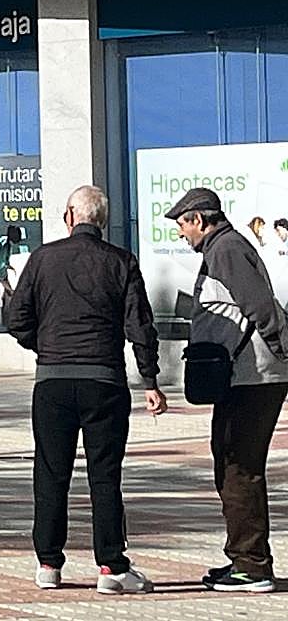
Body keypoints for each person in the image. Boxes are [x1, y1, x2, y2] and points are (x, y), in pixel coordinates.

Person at [6, 185, 166, 595]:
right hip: (104, 382)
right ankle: (111, 568)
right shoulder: (121, 262)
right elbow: (140, 327)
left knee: (50, 473)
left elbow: (16, 317)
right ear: (103, 221)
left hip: (53, 382)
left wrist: (44, 344)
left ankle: (48, 564)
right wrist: (150, 381)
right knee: (105, 476)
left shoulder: (42, 259)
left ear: (68, 216)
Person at [167, 187, 288, 593]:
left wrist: (283, 349)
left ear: (199, 219)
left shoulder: (227, 248)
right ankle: (244, 559)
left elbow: (260, 305)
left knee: (239, 467)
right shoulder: (222, 248)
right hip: (244, 377)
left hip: (253, 378)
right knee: (232, 464)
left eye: (183, 224)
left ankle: (252, 567)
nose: (182, 234)